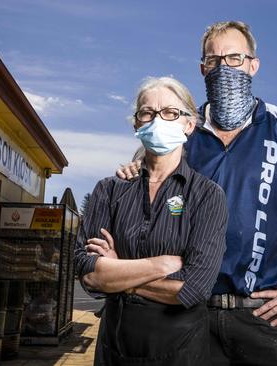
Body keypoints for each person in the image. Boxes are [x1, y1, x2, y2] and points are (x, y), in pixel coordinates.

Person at [117, 21, 277, 365]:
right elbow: (140, 200)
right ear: (202, 68)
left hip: (261, 317)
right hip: (182, 312)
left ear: (253, 65)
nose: (224, 68)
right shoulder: (180, 129)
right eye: (214, 61)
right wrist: (130, 176)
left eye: (235, 58)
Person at [75, 76, 228, 365]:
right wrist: (159, 265)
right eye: (147, 112)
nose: (158, 120)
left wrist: (118, 274)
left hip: (180, 350)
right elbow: (88, 274)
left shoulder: (207, 196)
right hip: (115, 348)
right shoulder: (108, 190)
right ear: (137, 124)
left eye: (171, 113)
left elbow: (193, 288)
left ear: (189, 124)